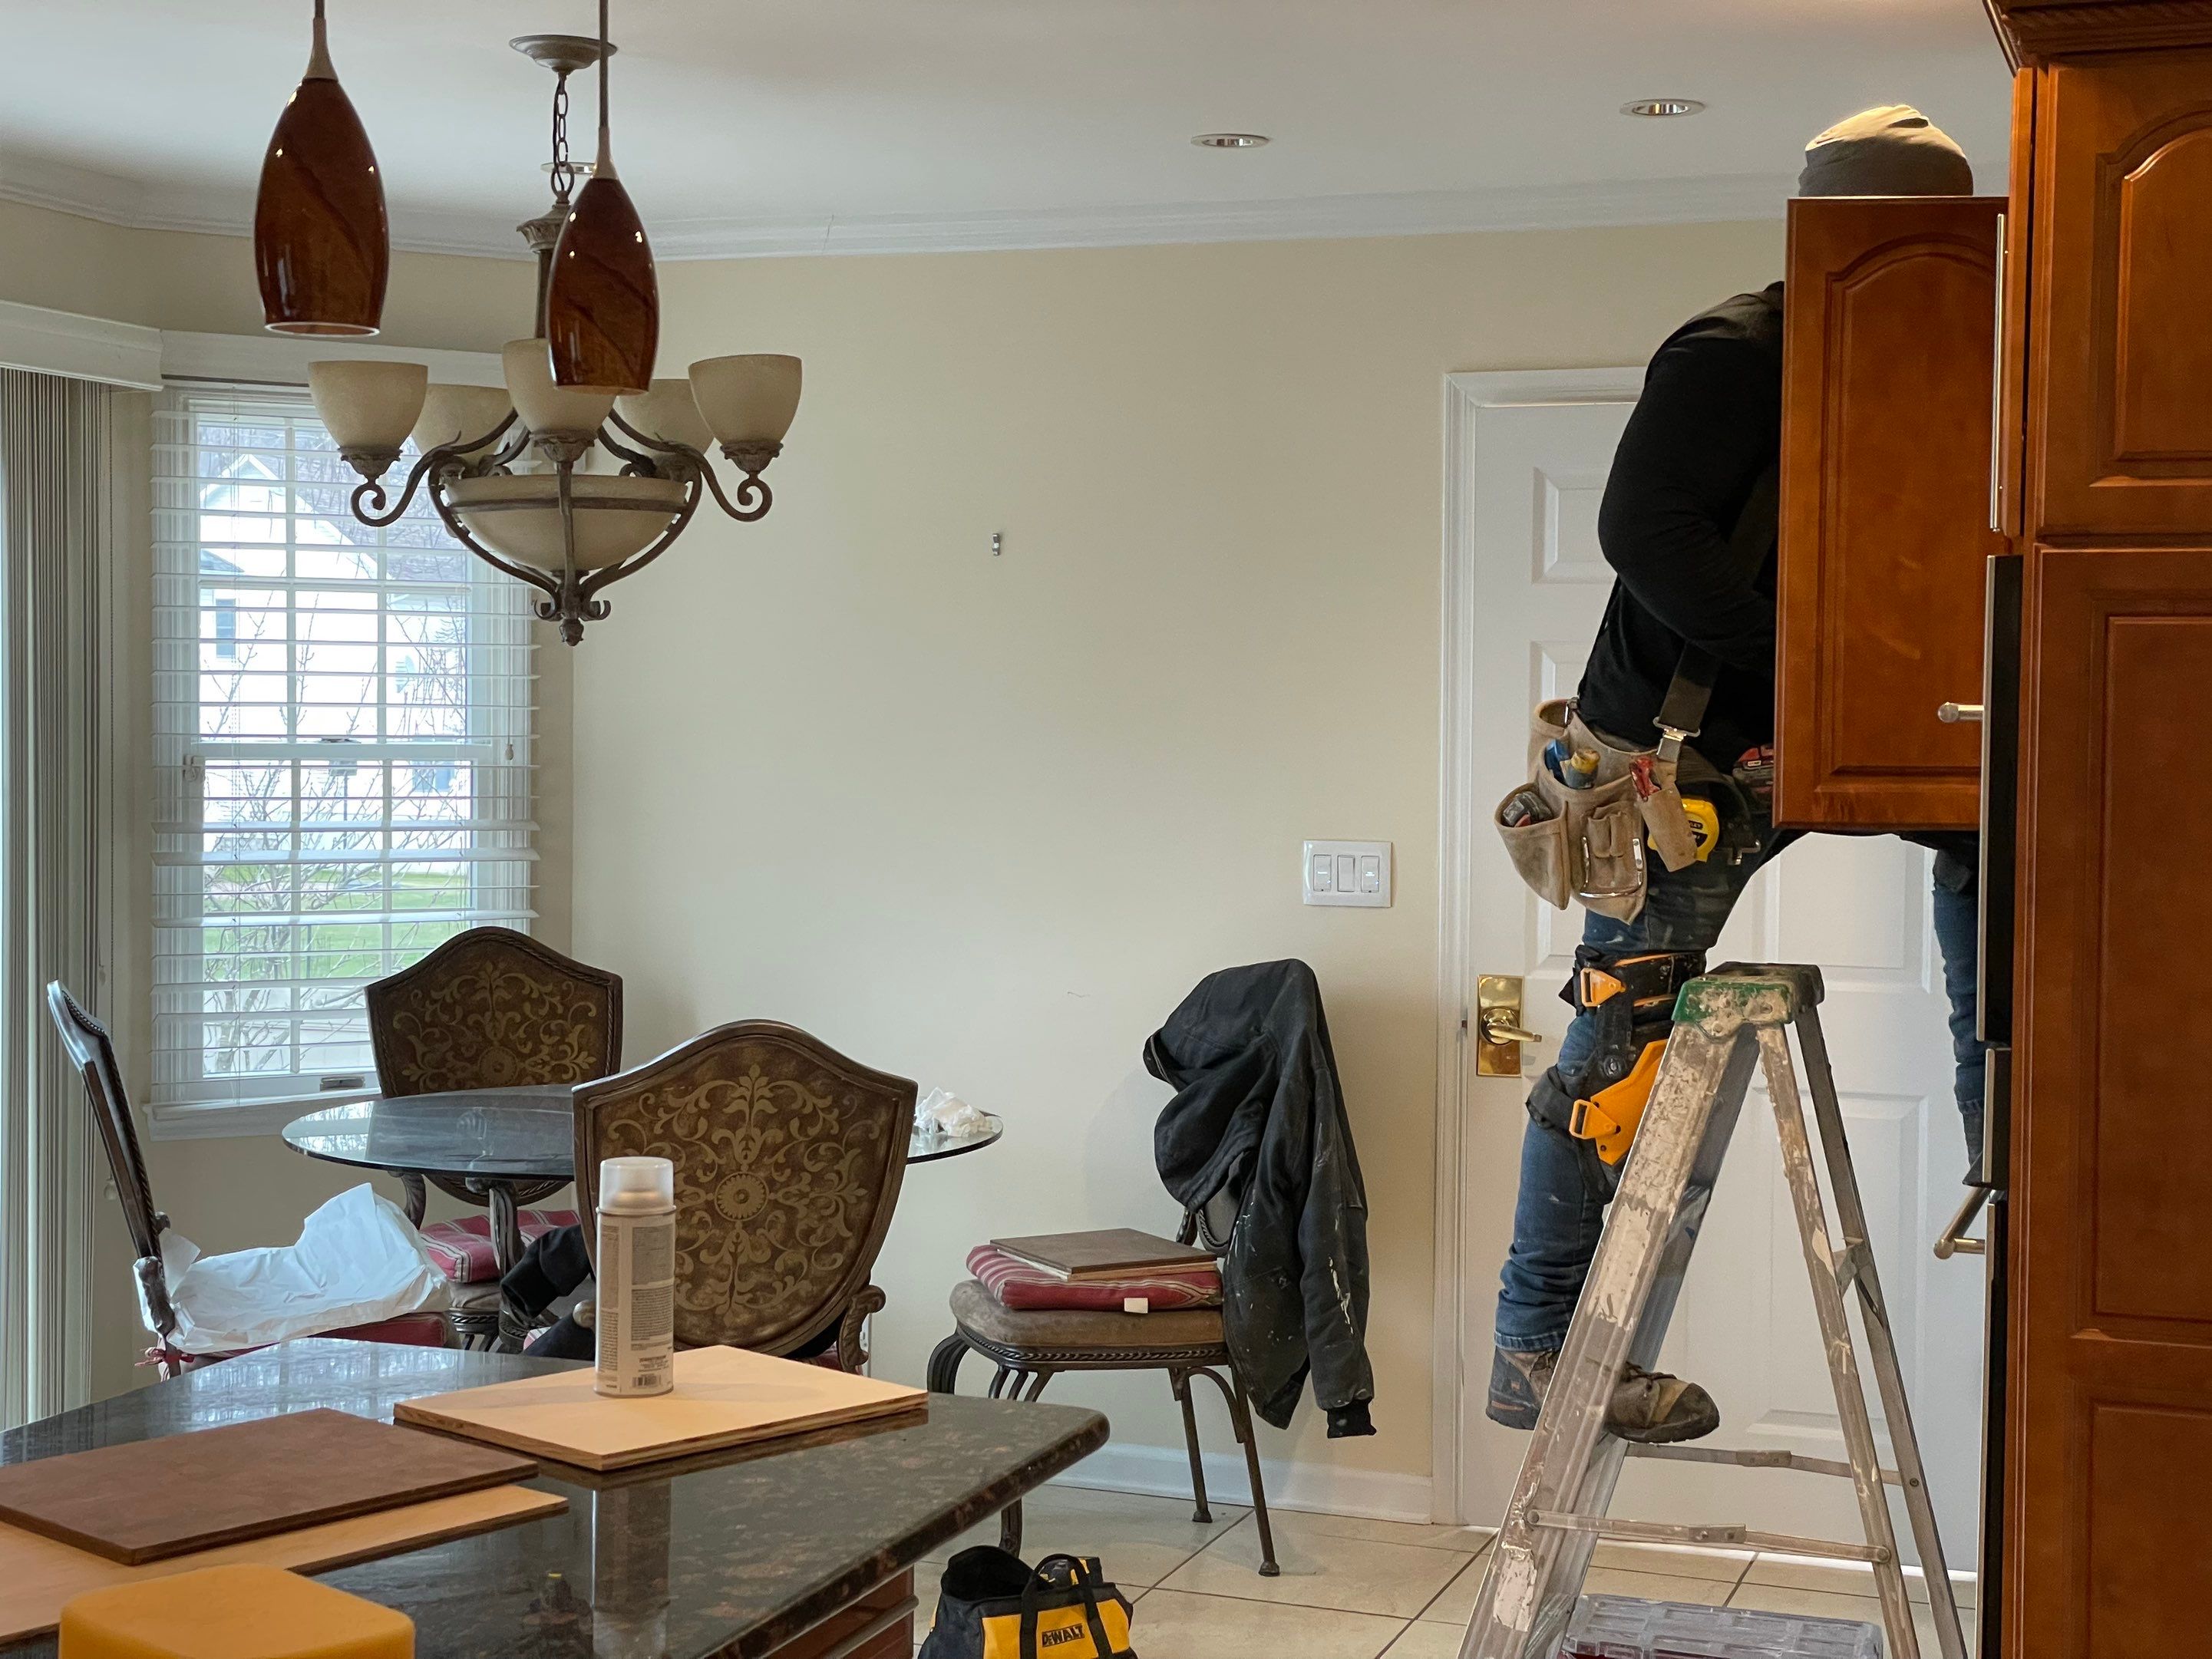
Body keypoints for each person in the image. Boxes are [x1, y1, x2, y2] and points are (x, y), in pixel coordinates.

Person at [1487, 107, 1989, 1446]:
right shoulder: (1735, 352)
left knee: (1997, 874)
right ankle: (1538, 1345)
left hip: (1853, 722)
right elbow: (1640, 529)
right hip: (1678, 751)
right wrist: (1809, 667)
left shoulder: (1949, 361)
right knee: (1623, 1034)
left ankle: (2003, 1176)